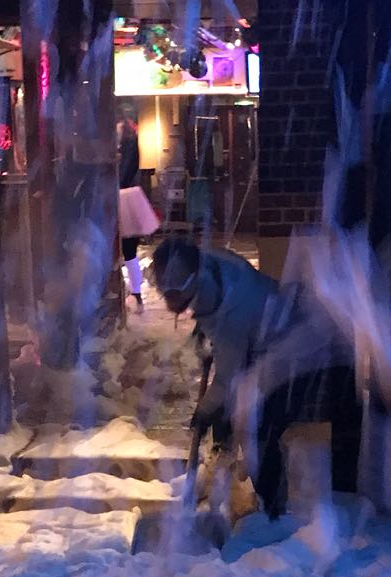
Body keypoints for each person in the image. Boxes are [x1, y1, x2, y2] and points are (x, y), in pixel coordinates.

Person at [151, 236, 364, 519]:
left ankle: (275, 515)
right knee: (242, 414)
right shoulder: (210, 267)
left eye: (173, 292)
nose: (167, 300)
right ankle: (231, 484)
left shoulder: (230, 310)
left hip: (309, 350)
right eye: (162, 290)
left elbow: (229, 375)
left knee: (257, 422)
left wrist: (205, 411)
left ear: (193, 279)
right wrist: (204, 324)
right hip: (284, 334)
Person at [116, 113, 159, 309]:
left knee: (126, 250)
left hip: (123, 196)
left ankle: (132, 291)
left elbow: (125, 173)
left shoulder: (126, 143)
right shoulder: (130, 141)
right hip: (128, 196)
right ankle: (134, 291)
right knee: (129, 251)